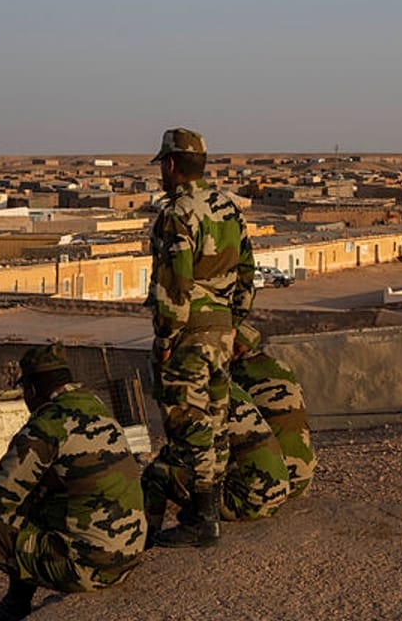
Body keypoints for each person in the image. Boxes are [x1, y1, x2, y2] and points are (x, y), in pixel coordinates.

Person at [0, 343, 147, 621]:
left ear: (32, 390)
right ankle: (14, 607)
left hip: (87, 570)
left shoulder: (47, 424)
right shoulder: (96, 407)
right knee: (33, 502)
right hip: (125, 557)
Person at [146, 127, 255, 547]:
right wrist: (233, 320)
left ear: (172, 165)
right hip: (221, 333)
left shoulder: (178, 213)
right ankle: (206, 509)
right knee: (215, 419)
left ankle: (204, 518)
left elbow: (175, 283)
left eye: (163, 166)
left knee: (188, 424)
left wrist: (166, 338)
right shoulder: (228, 208)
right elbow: (247, 272)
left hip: (189, 334)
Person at [143, 381, 291, 536]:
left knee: (156, 472)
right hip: (278, 493)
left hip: (248, 502)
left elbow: (193, 453)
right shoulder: (230, 389)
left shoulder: (197, 400)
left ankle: (148, 536)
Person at [231, 322, 315, 498]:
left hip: (272, 484)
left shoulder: (236, 376)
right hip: (303, 478)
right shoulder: (281, 367)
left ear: (234, 348)